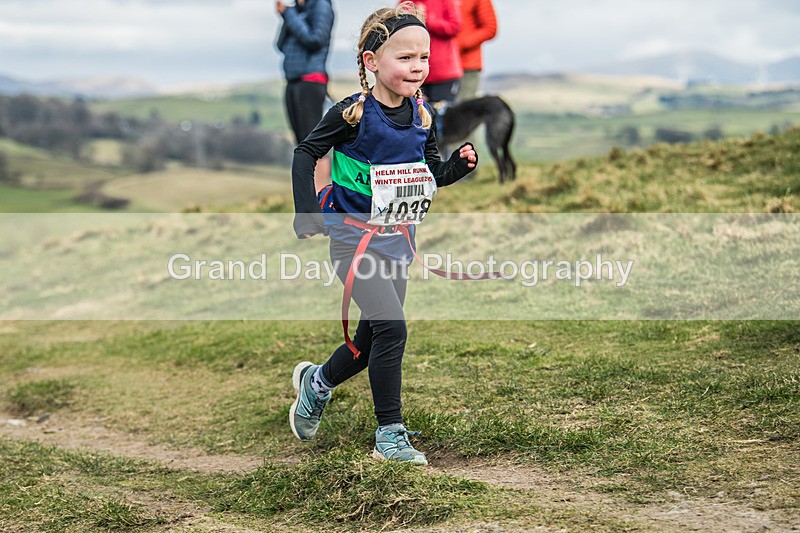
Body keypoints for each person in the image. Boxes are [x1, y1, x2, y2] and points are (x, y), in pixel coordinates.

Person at [289, 2, 478, 466]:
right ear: (371, 61)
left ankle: (317, 382)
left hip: (398, 244)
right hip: (352, 243)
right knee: (393, 328)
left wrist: (457, 167)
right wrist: (307, 212)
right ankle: (389, 436)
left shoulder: (423, 114)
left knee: (374, 339)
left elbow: (431, 174)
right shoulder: (352, 114)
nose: (417, 67)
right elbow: (305, 152)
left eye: (424, 57)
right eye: (405, 57)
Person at [275, 0, 334, 193]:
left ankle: (321, 198)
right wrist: (287, 15)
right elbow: (281, 45)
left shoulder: (321, 5)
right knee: (302, 145)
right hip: (293, 81)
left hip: (311, 81)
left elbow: (316, 39)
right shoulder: (297, 11)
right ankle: (308, 197)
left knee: (315, 144)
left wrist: (289, 15)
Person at [408, 0, 463, 106]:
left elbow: (455, 27)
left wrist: (428, 20)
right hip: (414, 74)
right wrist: (411, 19)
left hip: (444, 74)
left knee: (442, 114)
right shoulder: (407, 2)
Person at [455, 0, 497, 103]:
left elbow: (490, 28)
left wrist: (459, 44)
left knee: (463, 108)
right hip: (435, 67)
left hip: (467, 66)